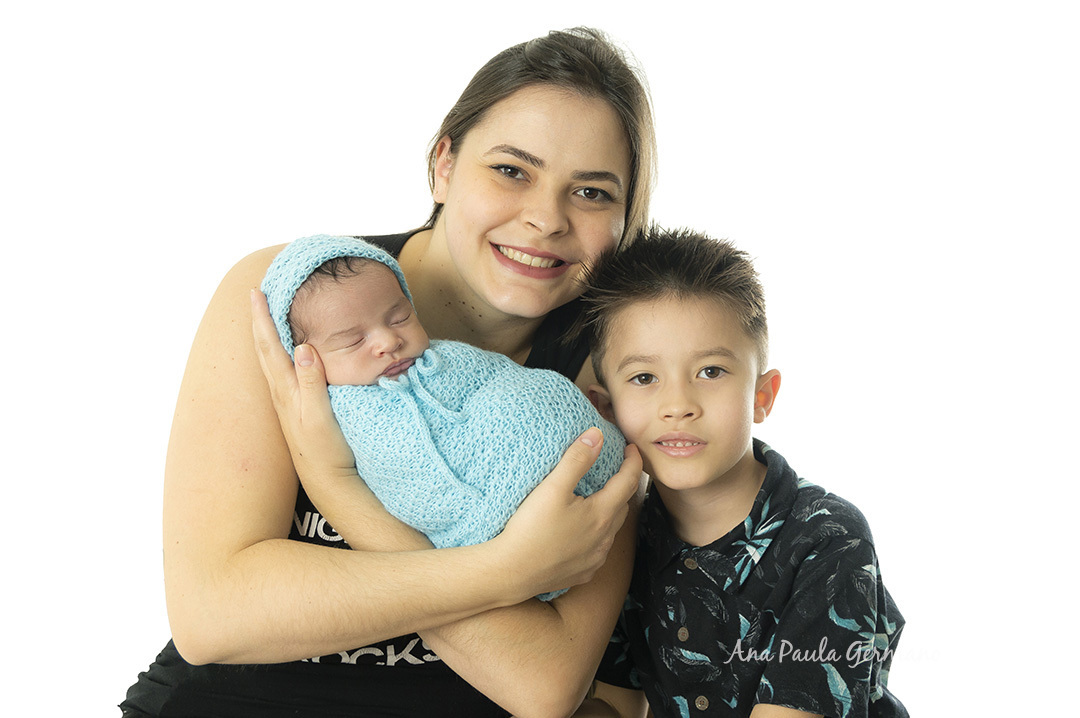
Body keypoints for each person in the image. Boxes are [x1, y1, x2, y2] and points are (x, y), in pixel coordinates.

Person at [120, 27, 654, 718]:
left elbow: (542, 684)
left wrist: (338, 488)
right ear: (443, 164)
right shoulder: (291, 295)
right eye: (512, 171)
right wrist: (506, 572)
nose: (545, 219)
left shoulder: (612, 380)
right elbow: (211, 613)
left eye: (590, 192)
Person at [573, 229, 907, 718]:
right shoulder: (627, 535)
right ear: (605, 408)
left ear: (761, 396)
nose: (678, 405)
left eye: (711, 371)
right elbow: (617, 703)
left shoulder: (828, 540)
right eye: (644, 378)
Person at [261, 233, 626, 599]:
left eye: (399, 318)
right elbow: (409, 485)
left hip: (576, 451)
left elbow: (504, 377)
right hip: (496, 522)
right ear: (304, 358)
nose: (388, 341)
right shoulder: (345, 413)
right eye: (353, 341)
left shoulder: (445, 357)